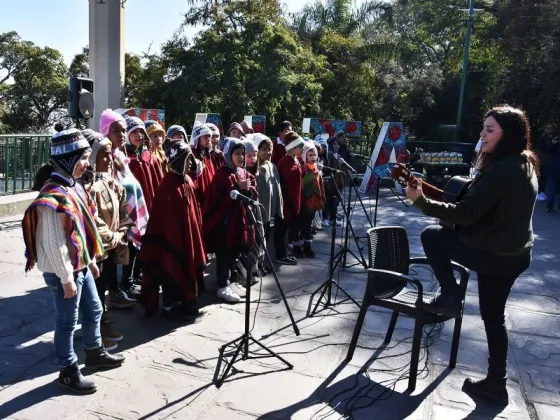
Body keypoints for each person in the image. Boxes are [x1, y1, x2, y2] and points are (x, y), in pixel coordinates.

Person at [405, 105, 538, 405]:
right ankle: (496, 383)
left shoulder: (502, 170)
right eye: (483, 127)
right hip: (516, 253)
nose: (482, 134)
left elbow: (465, 213)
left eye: (490, 129)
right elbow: (481, 206)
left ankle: (450, 296)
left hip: (497, 256)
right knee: (494, 318)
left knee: (432, 236)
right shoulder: (525, 162)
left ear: (509, 134)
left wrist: (420, 202)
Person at [22, 129, 124, 395]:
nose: (86, 164)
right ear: (68, 159)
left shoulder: (72, 186)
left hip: (79, 264)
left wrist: (89, 260)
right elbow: (55, 245)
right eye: (83, 158)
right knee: (67, 323)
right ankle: (67, 372)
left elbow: (78, 230)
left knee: (94, 310)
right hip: (63, 271)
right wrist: (67, 279)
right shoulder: (53, 196)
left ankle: (94, 352)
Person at [139, 141, 207, 321]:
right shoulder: (167, 185)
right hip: (172, 241)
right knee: (172, 268)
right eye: (185, 159)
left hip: (189, 238)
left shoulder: (187, 180)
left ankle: (187, 302)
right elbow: (164, 220)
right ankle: (170, 307)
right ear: (176, 161)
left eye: (189, 158)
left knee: (188, 268)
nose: (190, 163)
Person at [82, 129, 135, 351]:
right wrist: (115, 237)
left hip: (109, 248)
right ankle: (95, 335)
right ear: (92, 157)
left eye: (109, 153)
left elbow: (120, 203)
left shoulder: (105, 180)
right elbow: (94, 222)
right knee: (93, 297)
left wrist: (124, 228)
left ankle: (101, 324)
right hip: (96, 250)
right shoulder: (87, 187)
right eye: (104, 154)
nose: (109, 158)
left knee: (101, 290)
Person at [99, 109, 149, 300]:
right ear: (105, 132)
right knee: (111, 255)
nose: (121, 135)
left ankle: (124, 285)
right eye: (116, 131)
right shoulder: (103, 157)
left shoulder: (119, 155)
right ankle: (114, 292)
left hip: (126, 214)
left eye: (123, 130)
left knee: (129, 249)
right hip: (111, 217)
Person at [203, 138, 257, 302]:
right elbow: (218, 199)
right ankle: (222, 284)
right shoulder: (222, 174)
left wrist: (248, 189)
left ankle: (233, 280)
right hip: (225, 225)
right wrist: (235, 188)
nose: (241, 157)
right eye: (237, 154)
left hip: (238, 223)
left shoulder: (242, 172)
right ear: (228, 155)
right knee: (224, 254)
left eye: (243, 154)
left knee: (235, 253)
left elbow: (252, 190)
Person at [254, 134, 284, 272]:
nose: (268, 152)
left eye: (269, 149)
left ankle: (261, 263)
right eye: (264, 149)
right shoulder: (255, 169)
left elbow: (277, 189)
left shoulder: (272, 166)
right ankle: (255, 266)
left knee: (265, 238)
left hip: (268, 212)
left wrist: (279, 208)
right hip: (258, 212)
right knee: (257, 240)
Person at [275, 131, 305, 262]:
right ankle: (280, 255)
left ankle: (285, 252)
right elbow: (286, 185)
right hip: (286, 203)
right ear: (292, 148)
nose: (302, 149)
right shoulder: (285, 162)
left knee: (287, 230)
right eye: (300, 147)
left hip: (293, 202)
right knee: (281, 231)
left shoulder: (295, 160)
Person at [124, 116, 164, 213]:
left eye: (141, 131)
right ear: (126, 135)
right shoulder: (124, 159)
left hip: (153, 207)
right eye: (134, 132)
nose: (139, 135)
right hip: (134, 207)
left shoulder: (150, 157)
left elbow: (159, 184)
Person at [300, 141, 326, 257]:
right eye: (310, 155)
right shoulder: (303, 169)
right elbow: (301, 186)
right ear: (305, 156)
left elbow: (320, 186)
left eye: (314, 154)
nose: (313, 157)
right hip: (306, 202)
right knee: (304, 224)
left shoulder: (317, 170)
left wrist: (322, 198)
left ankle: (307, 246)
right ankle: (304, 246)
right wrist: (310, 176)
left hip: (314, 201)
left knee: (309, 224)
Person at [191, 121, 216, 207]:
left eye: (209, 136)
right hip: (199, 193)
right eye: (205, 137)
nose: (209, 139)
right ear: (198, 138)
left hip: (210, 193)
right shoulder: (192, 155)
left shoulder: (208, 155)